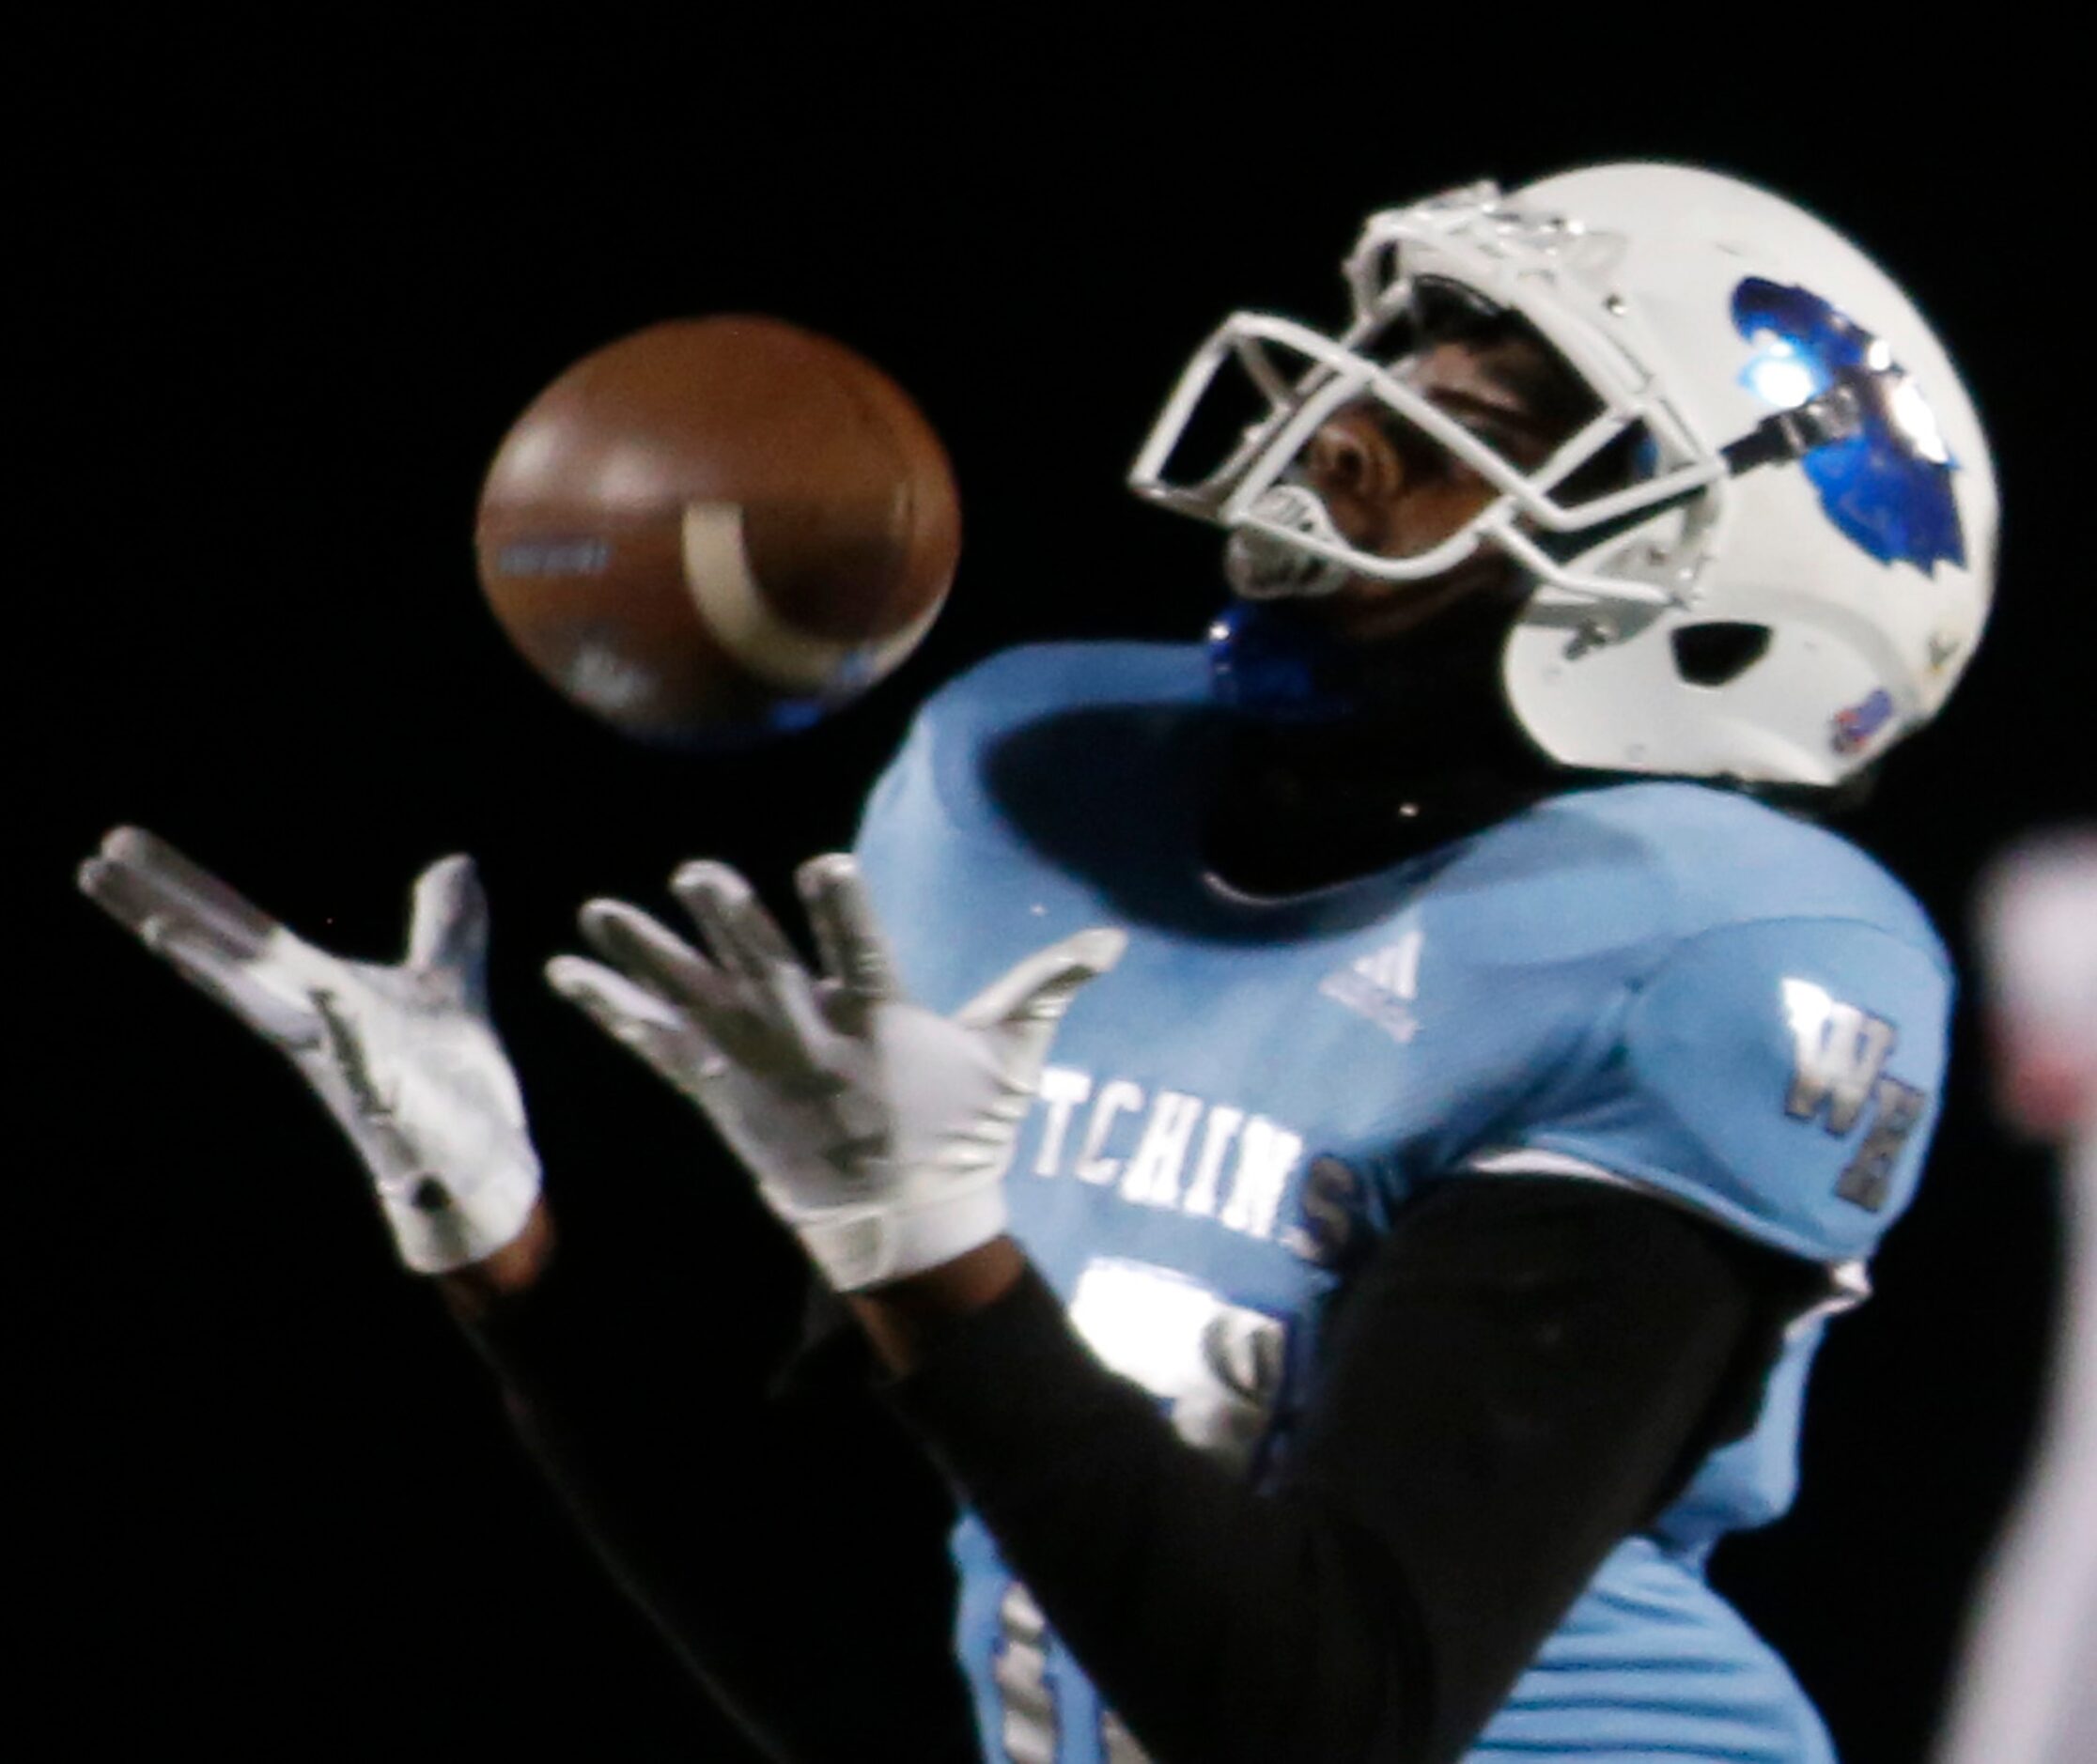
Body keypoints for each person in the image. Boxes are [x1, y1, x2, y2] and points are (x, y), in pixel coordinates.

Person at [79, 162, 1997, 1762]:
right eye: (1376, 375)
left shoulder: (1713, 953)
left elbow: (1334, 1723)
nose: (1336, 435)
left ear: (1716, 610)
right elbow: (881, 1661)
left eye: (1467, 435)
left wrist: (931, 1251)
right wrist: (513, 1259)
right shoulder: (1033, 790)